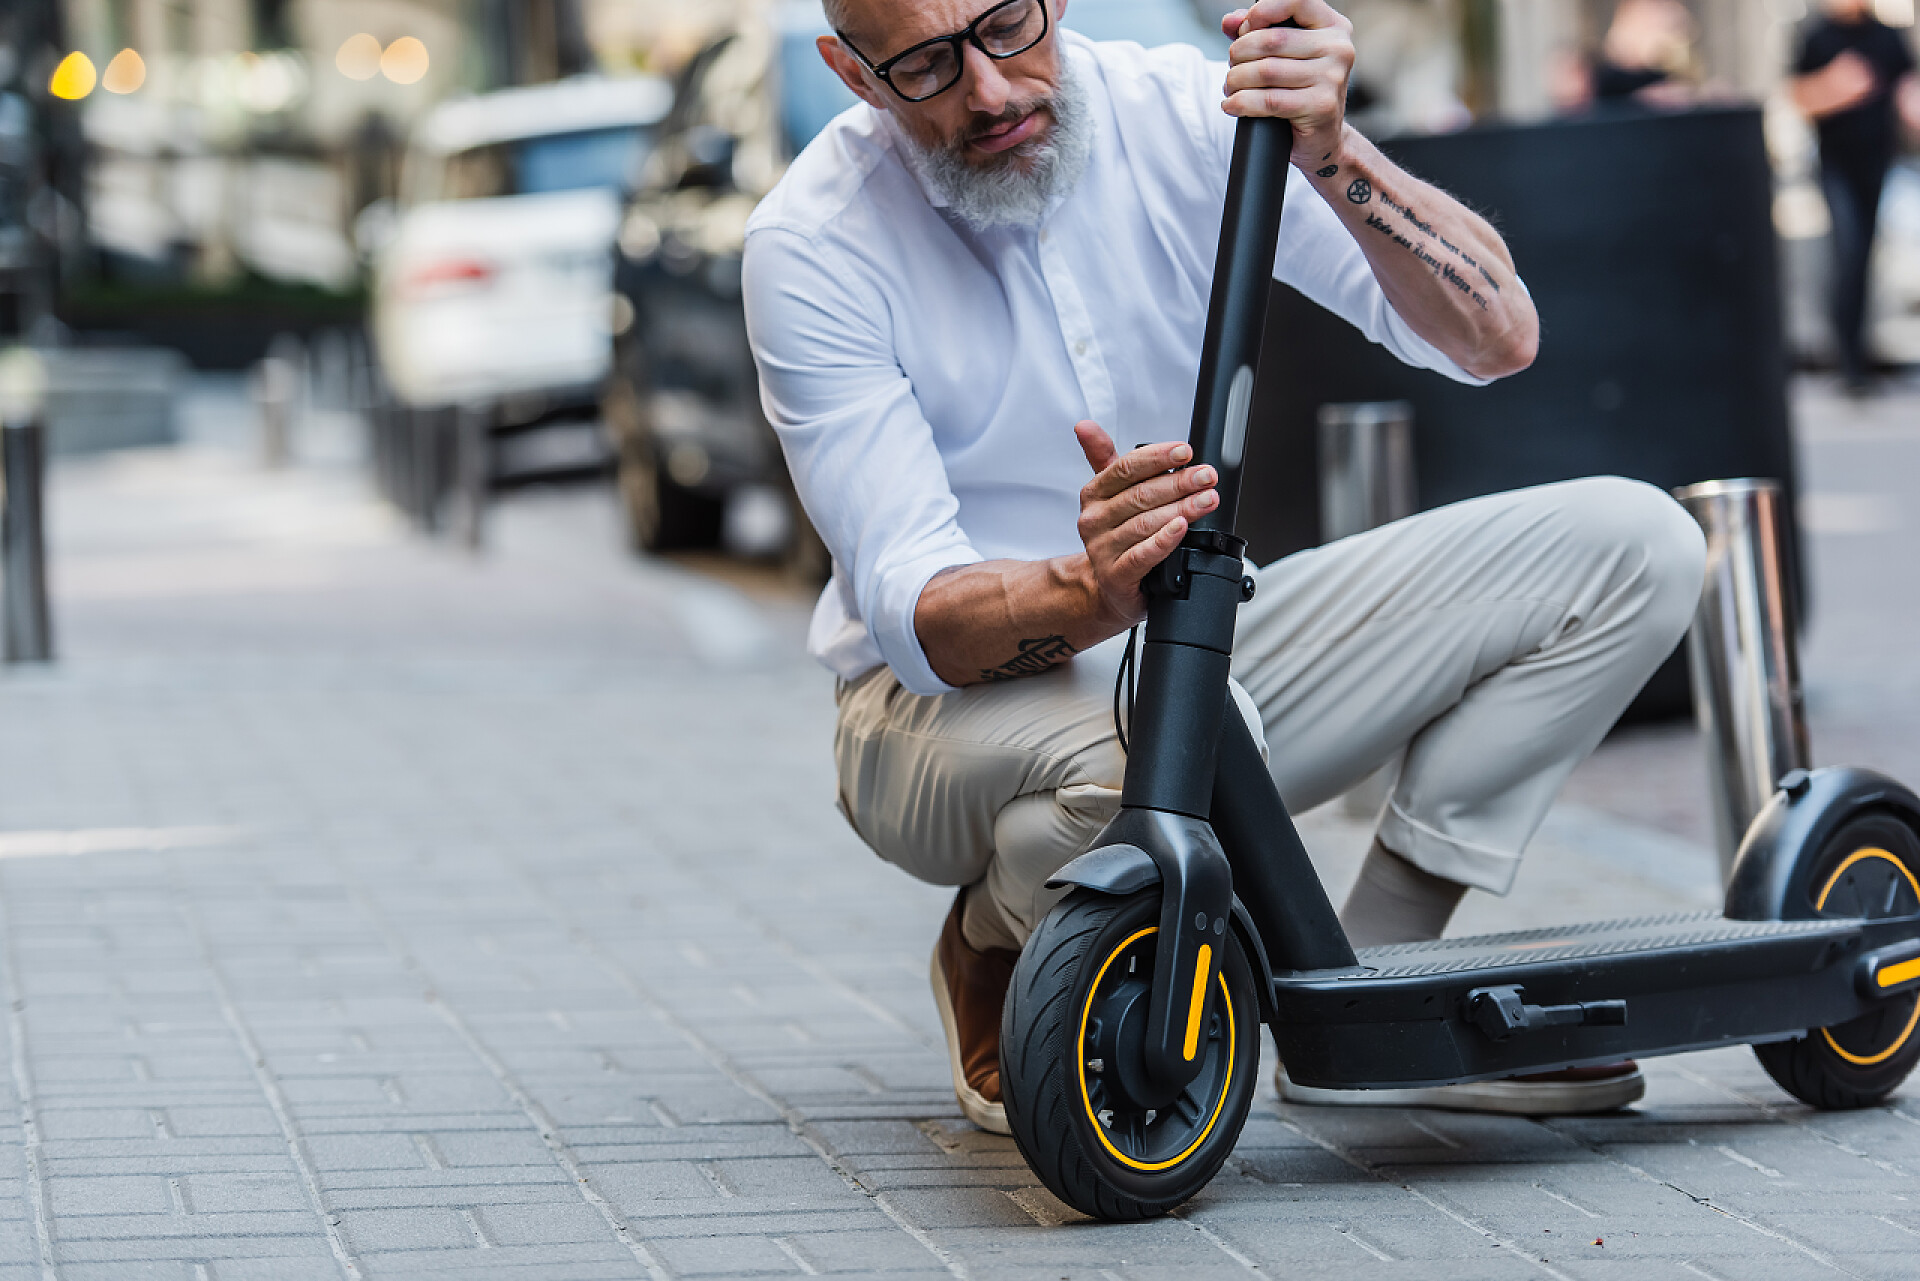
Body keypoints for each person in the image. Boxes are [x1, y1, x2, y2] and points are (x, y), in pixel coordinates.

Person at [742, 0, 1706, 1132]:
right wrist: (1085, 587)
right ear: (852, 73)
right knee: (1161, 753)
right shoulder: (811, 242)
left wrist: (1334, 152)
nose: (991, 90)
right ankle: (999, 939)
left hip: (1195, 645)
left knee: (1637, 548)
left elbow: (1494, 337)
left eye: (1007, 25)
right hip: (932, 711)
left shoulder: (1193, 114)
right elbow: (916, 610)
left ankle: (1365, 998)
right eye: (923, 65)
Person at [1791, 0, 1920, 390]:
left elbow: (1908, 91)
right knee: (1846, 251)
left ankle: (1860, 355)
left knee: (1864, 254)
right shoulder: (1817, 37)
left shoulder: (1886, 36)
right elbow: (1798, 98)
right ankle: (1846, 359)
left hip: (1877, 161)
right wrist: (1836, 85)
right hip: (1835, 165)